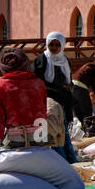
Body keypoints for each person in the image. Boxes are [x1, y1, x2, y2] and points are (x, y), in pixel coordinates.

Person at [0, 49, 47, 147]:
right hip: (40, 136)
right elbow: (43, 110)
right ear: (25, 64)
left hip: (14, 138)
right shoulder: (39, 83)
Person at [34, 32, 76, 162]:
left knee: (62, 131)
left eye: (57, 45)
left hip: (63, 100)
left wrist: (70, 86)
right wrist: (57, 89)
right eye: (51, 44)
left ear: (62, 45)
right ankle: (51, 160)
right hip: (48, 101)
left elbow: (68, 79)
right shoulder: (42, 59)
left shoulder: (64, 60)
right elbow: (37, 81)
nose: (54, 47)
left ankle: (65, 159)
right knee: (50, 130)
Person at [71, 59, 95, 135]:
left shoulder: (87, 66)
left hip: (72, 87)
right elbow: (94, 85)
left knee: (78, 111)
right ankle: (90, 132)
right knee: (87, 111)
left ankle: (81, 132)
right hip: (81, 88)